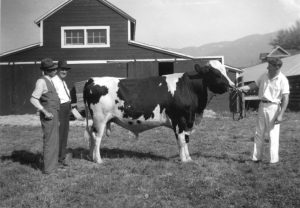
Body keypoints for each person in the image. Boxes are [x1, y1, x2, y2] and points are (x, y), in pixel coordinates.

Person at [239, 57, 289, 164]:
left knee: (273, 135)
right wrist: (243, 88)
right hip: (262, 106)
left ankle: (273, 161)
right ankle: (256, 158)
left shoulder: (283, 80)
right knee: (259, 133)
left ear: (277, 67)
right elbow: (254, 85)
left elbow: (286, 99)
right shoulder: (264, 75)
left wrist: (280, 115)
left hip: (274, 108)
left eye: (269, 66)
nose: (267, 67)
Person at [30, 58, 60, 174]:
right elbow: (33, 99)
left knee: (54, 140)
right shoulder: (41, 81)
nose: (55, 71)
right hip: (49, 115)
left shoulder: (50, 80)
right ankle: (48, 169)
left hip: (54, 114)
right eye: (53, 69)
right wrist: (45, 112)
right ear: (47, 71)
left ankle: (53, 166)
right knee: (49, 141)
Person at [52, 60, 72, 166]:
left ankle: (62, 156)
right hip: (60, 108)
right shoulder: (54, 81)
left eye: (66, 69)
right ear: (58, 70)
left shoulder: (63, 81)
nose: (64, 71)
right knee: (59, 133)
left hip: (67, 107)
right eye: (62, 69)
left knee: (65, 133)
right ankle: (57, 158)